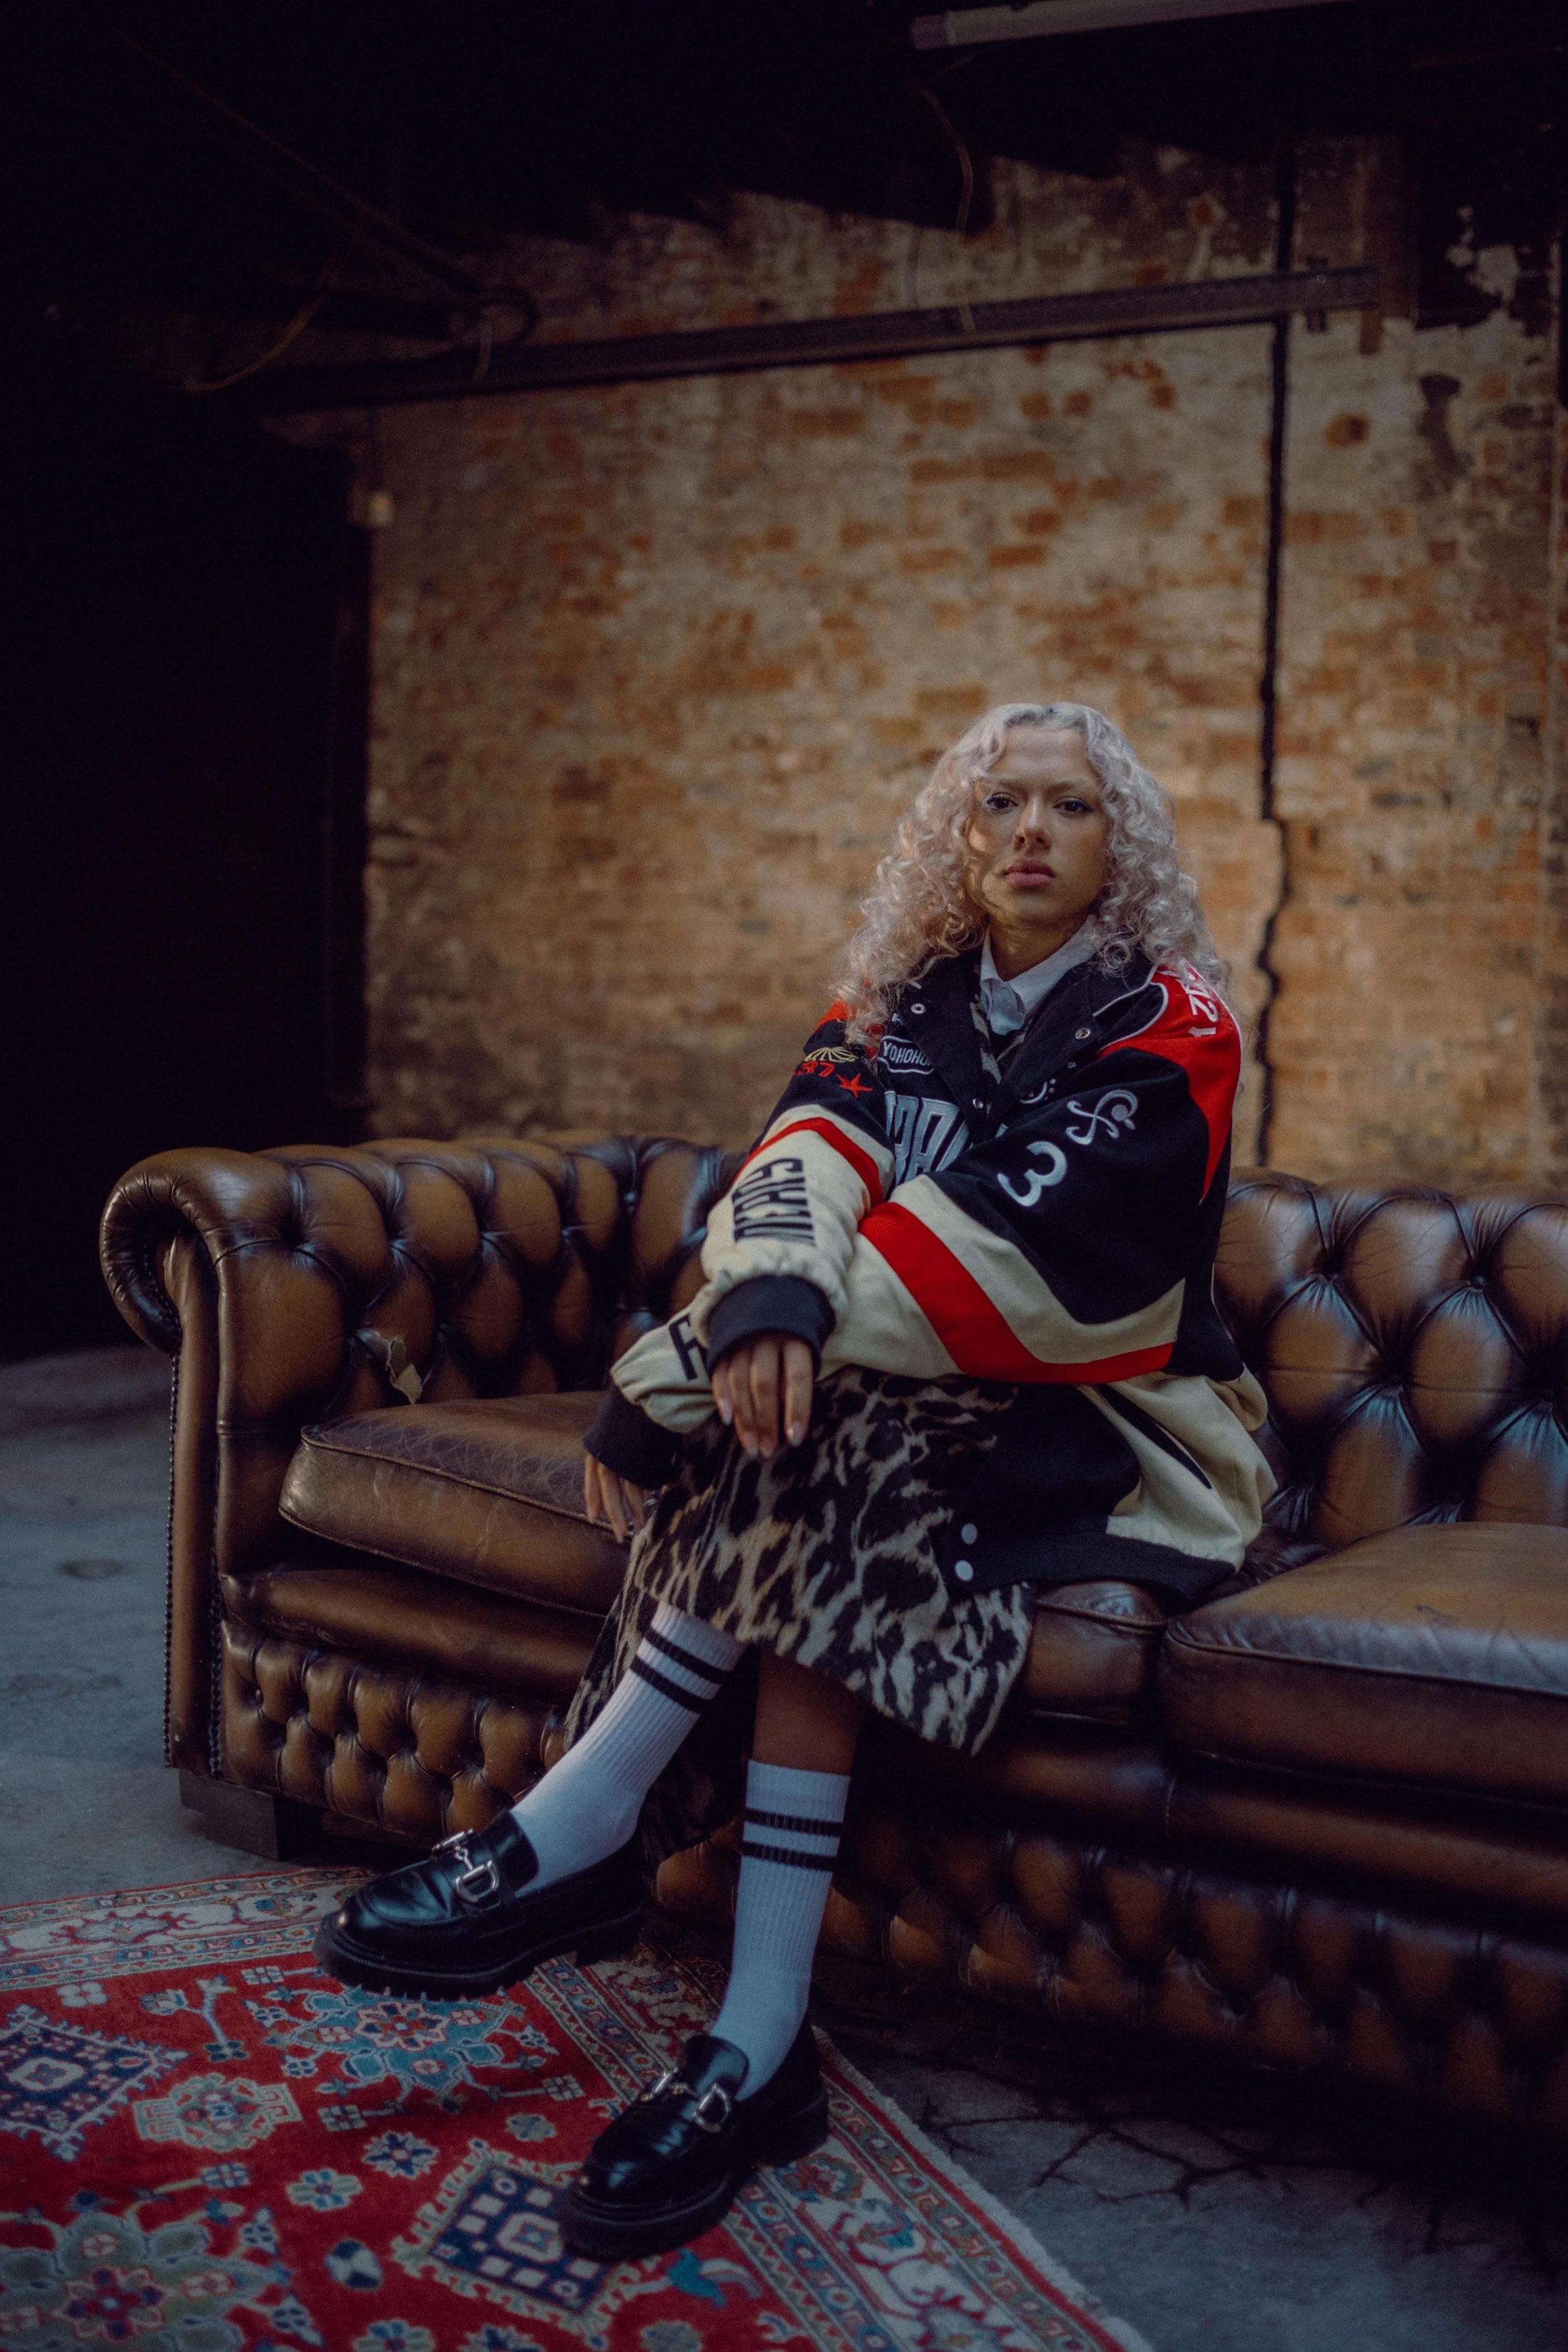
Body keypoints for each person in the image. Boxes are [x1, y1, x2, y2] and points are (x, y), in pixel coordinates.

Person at [315, 699, 1273, 2260]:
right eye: (998, 802)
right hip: (887, 1412)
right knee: (826, 1431)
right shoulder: (892, 1003)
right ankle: (754, 2041)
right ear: (957, 837)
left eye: (1072, 805)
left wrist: (672, 1376)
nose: (1031, 829)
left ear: (1121, 844)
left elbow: (1000, 1249)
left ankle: (583, 1829)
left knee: (800, 1417)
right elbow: (800, 1162)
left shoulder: (1171, 1018)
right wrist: (760, 1304)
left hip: (1109, 1421)